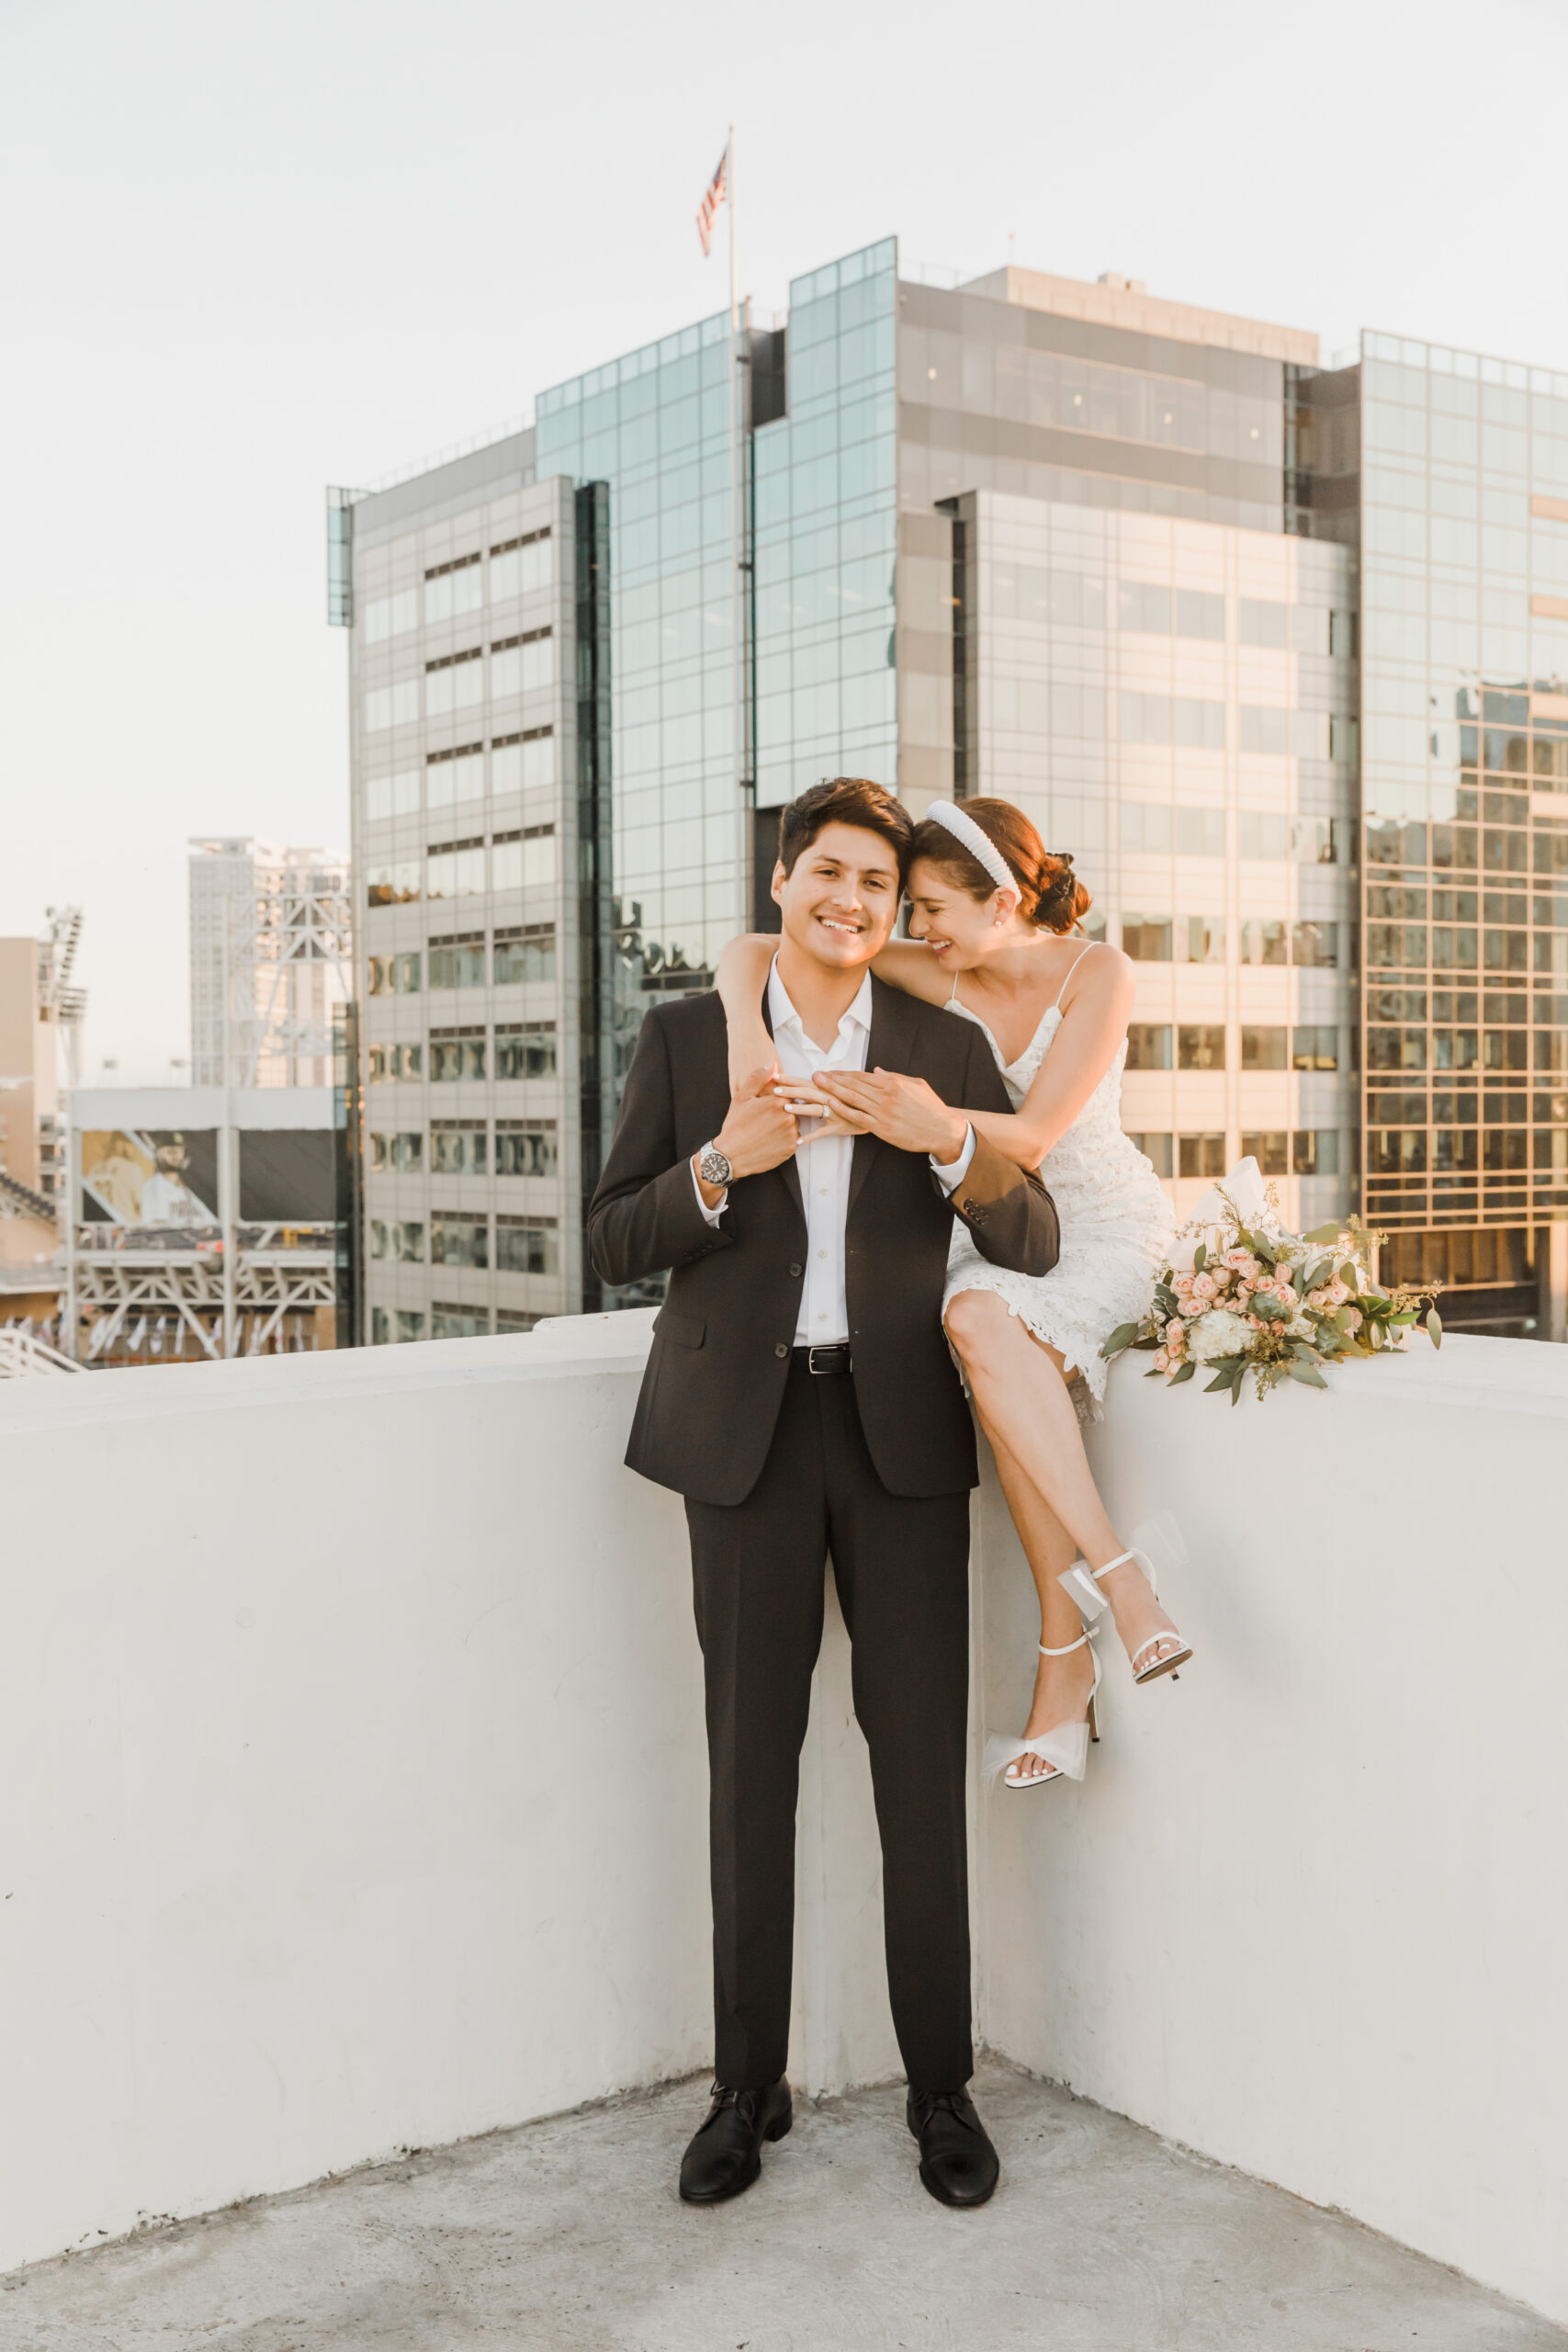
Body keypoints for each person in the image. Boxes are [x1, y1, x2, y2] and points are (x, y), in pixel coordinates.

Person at [587, 778, 1059, 2211]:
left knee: (918, 1778)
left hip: (900, 1441)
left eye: (877, 884)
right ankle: (744, 2088)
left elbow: (1031, 1238)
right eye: (830, 874)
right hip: (742, 1445)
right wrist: (723, 1166)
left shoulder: (938, 1041)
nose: (852, 902)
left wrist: (942, 1135)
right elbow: (613, 1239)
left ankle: (939, 2092)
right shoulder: (684, 1038)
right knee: (750, 1772)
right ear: (782, 882)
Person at [716, 796, 1189, 1796]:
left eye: (933, 906)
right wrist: (741, 1039)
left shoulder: (1099, 971)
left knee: (1001, 1362)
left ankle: (1076, 1643)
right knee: (974, 1322)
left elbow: (1040, 1135)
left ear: (1005, 899)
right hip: (1002, 1235)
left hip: (1104, 1228)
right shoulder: (941, 970)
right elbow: (753, 945)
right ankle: (1117, 1584)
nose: (915, 929)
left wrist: (918, 1116)